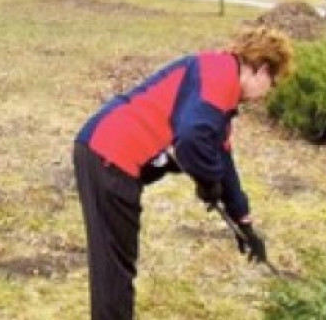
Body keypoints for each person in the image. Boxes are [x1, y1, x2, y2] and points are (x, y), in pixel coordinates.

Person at [72, 26, 294, 320]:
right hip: (109, 154)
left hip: (111, 156)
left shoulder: (220, 87)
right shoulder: (218, 75)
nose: (268, 93)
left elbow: (222, 159)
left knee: (115, 265)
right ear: (262, 69)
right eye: (273, 83)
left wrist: (244, 222)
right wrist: (207, 181)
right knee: (114, 269)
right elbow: (191, 141)